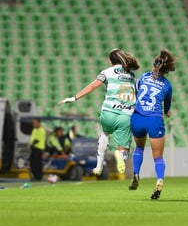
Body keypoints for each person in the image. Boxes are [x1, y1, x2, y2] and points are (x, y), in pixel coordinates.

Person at [60, 48, 140, 176]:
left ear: (110, 61)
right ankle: (120, 156)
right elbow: (138, 94)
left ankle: (98, 166)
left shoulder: (107, 72)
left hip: (109, 111)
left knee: (105, 134)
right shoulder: (132, 75)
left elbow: (92, 86)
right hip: (126, 114)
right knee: (123, 147)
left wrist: (74, 97)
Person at [128, 49, 176, 200]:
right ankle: (160, 180)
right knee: (158, 158)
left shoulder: (143, 76)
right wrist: (167, 112)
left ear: (153, 65)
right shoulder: (167, 86)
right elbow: (166, 108)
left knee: (139, 148)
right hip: (154, 120)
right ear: (166, 69)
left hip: (137, 118)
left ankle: (136, 174)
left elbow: (136, 93)